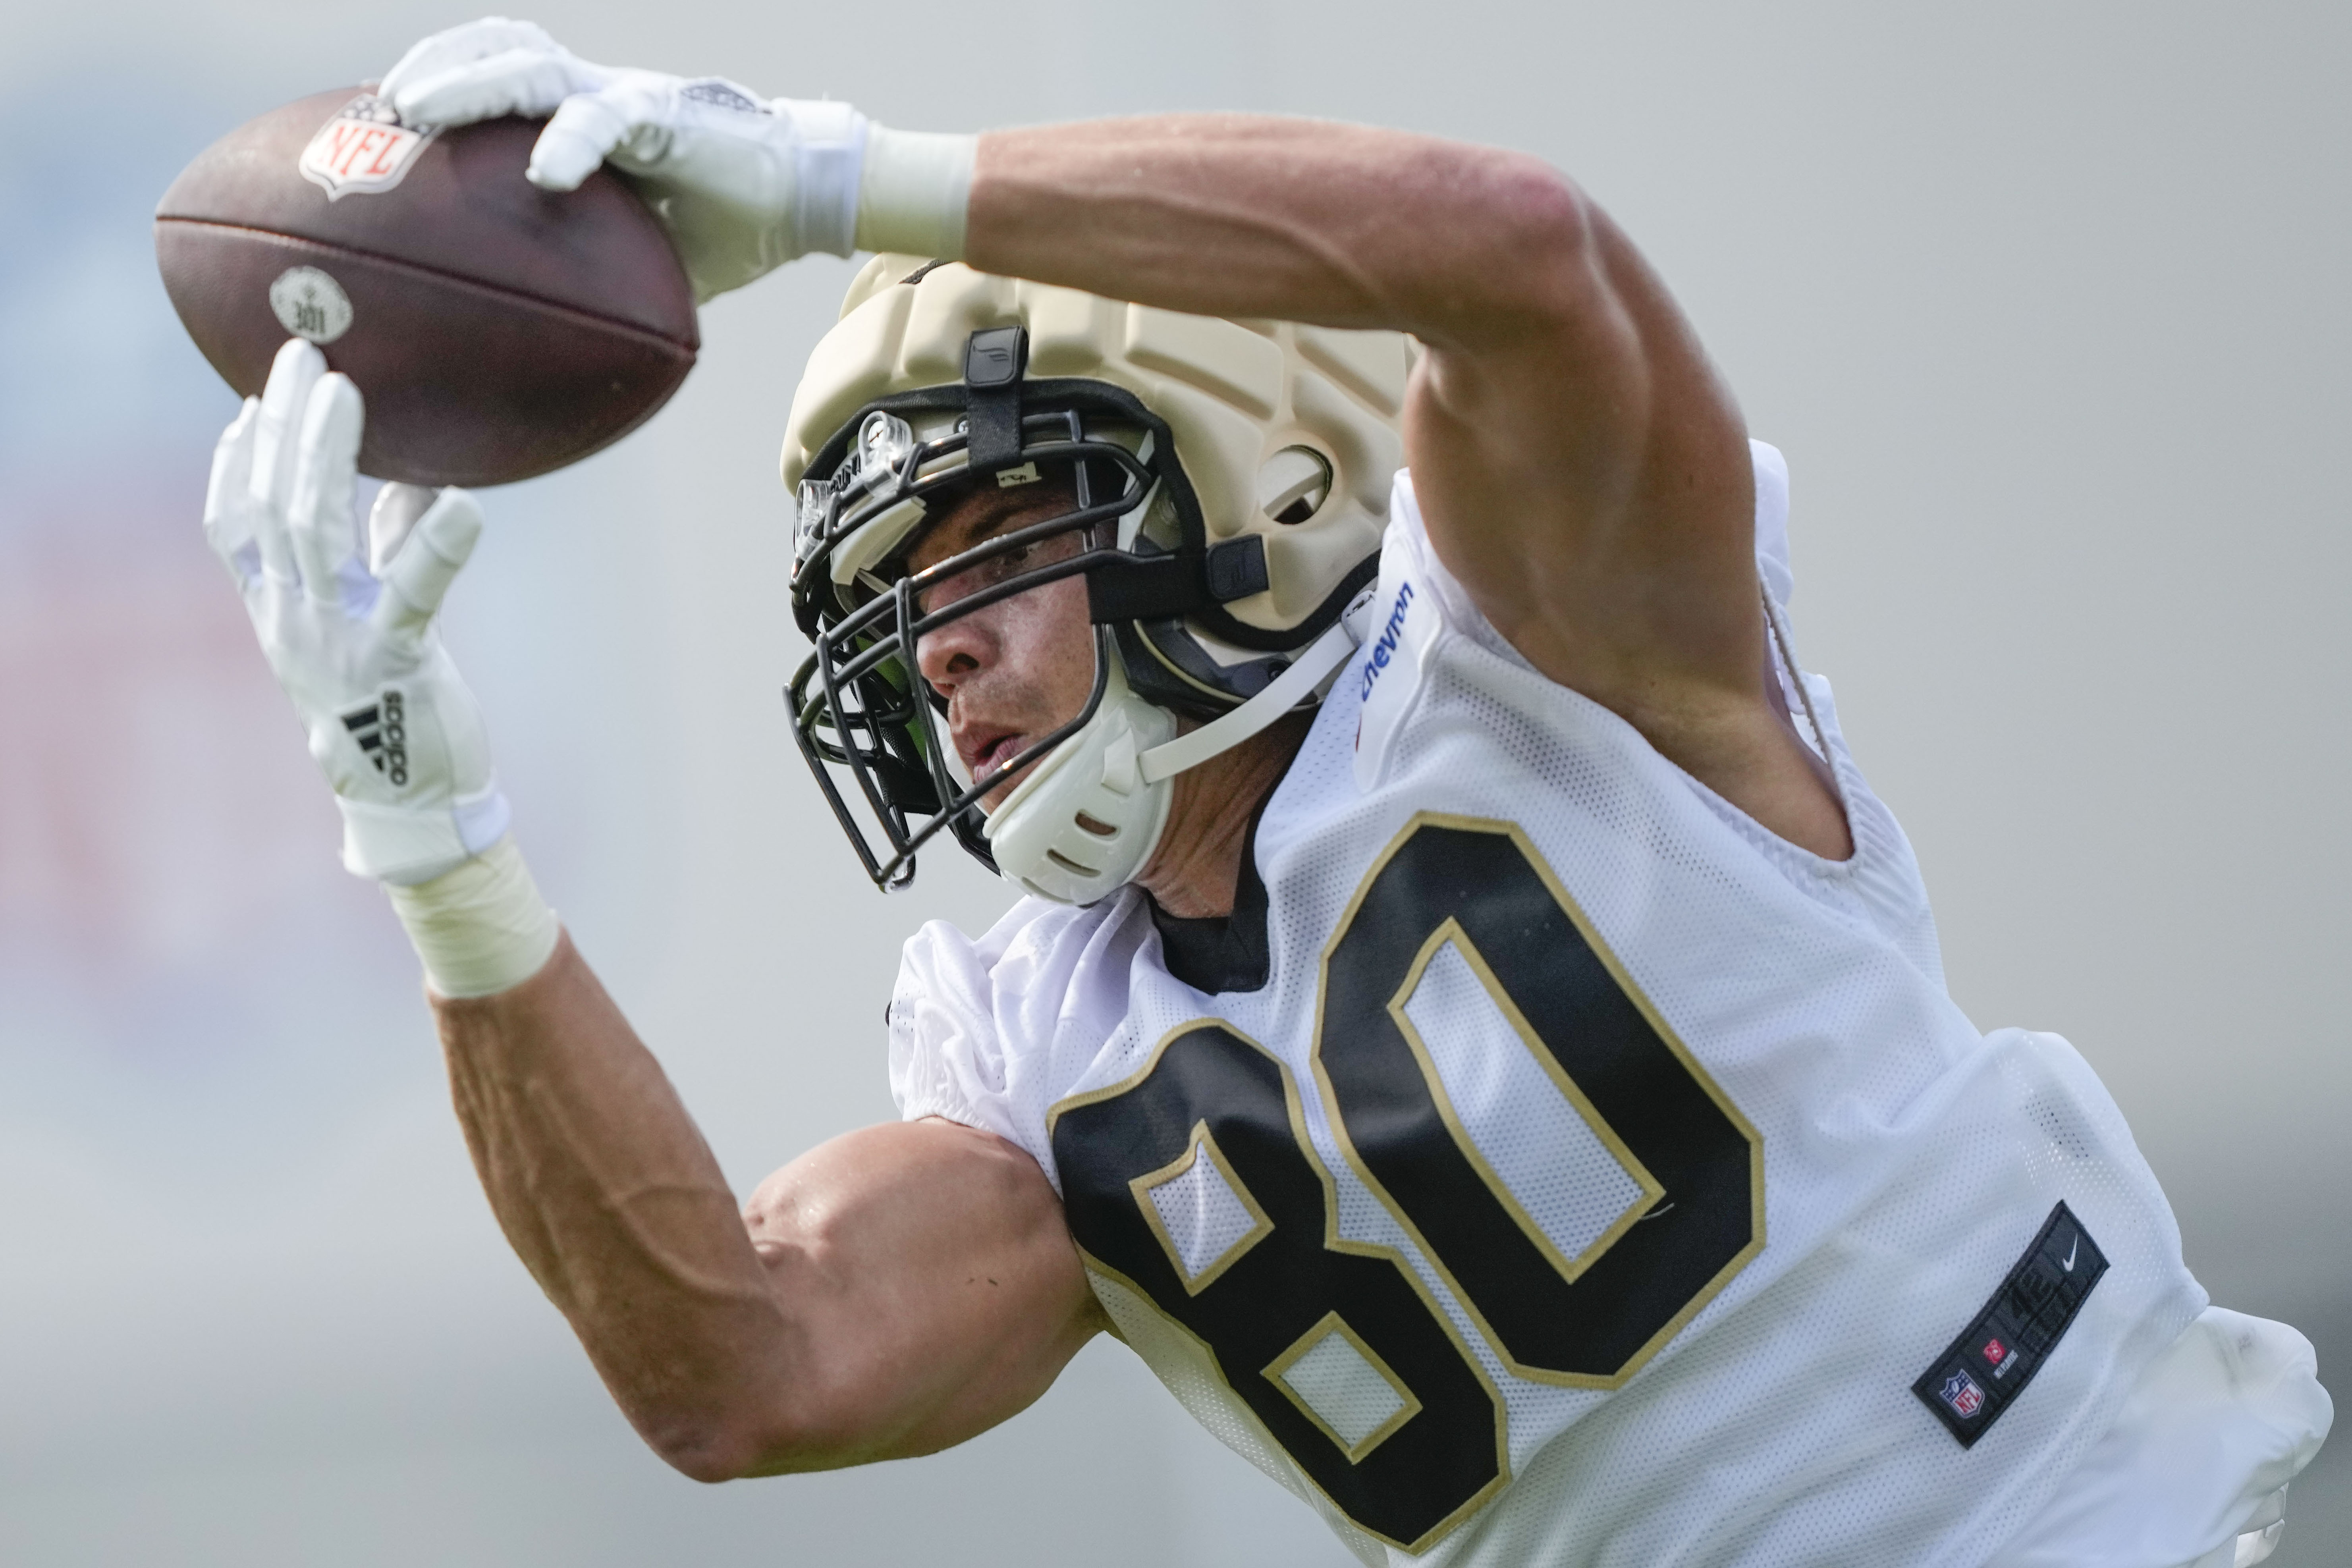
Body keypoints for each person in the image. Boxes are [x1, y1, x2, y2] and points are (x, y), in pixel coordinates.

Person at [203, 17, 2330, 1566]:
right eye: (884, 590)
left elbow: (1512, 248)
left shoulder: (1549, 648)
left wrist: (853, 179)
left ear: (1251, 472)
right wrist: (434, 847)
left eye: (984, 539)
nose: (929, 647)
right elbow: (739, 1369)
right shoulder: (1037, 1046)